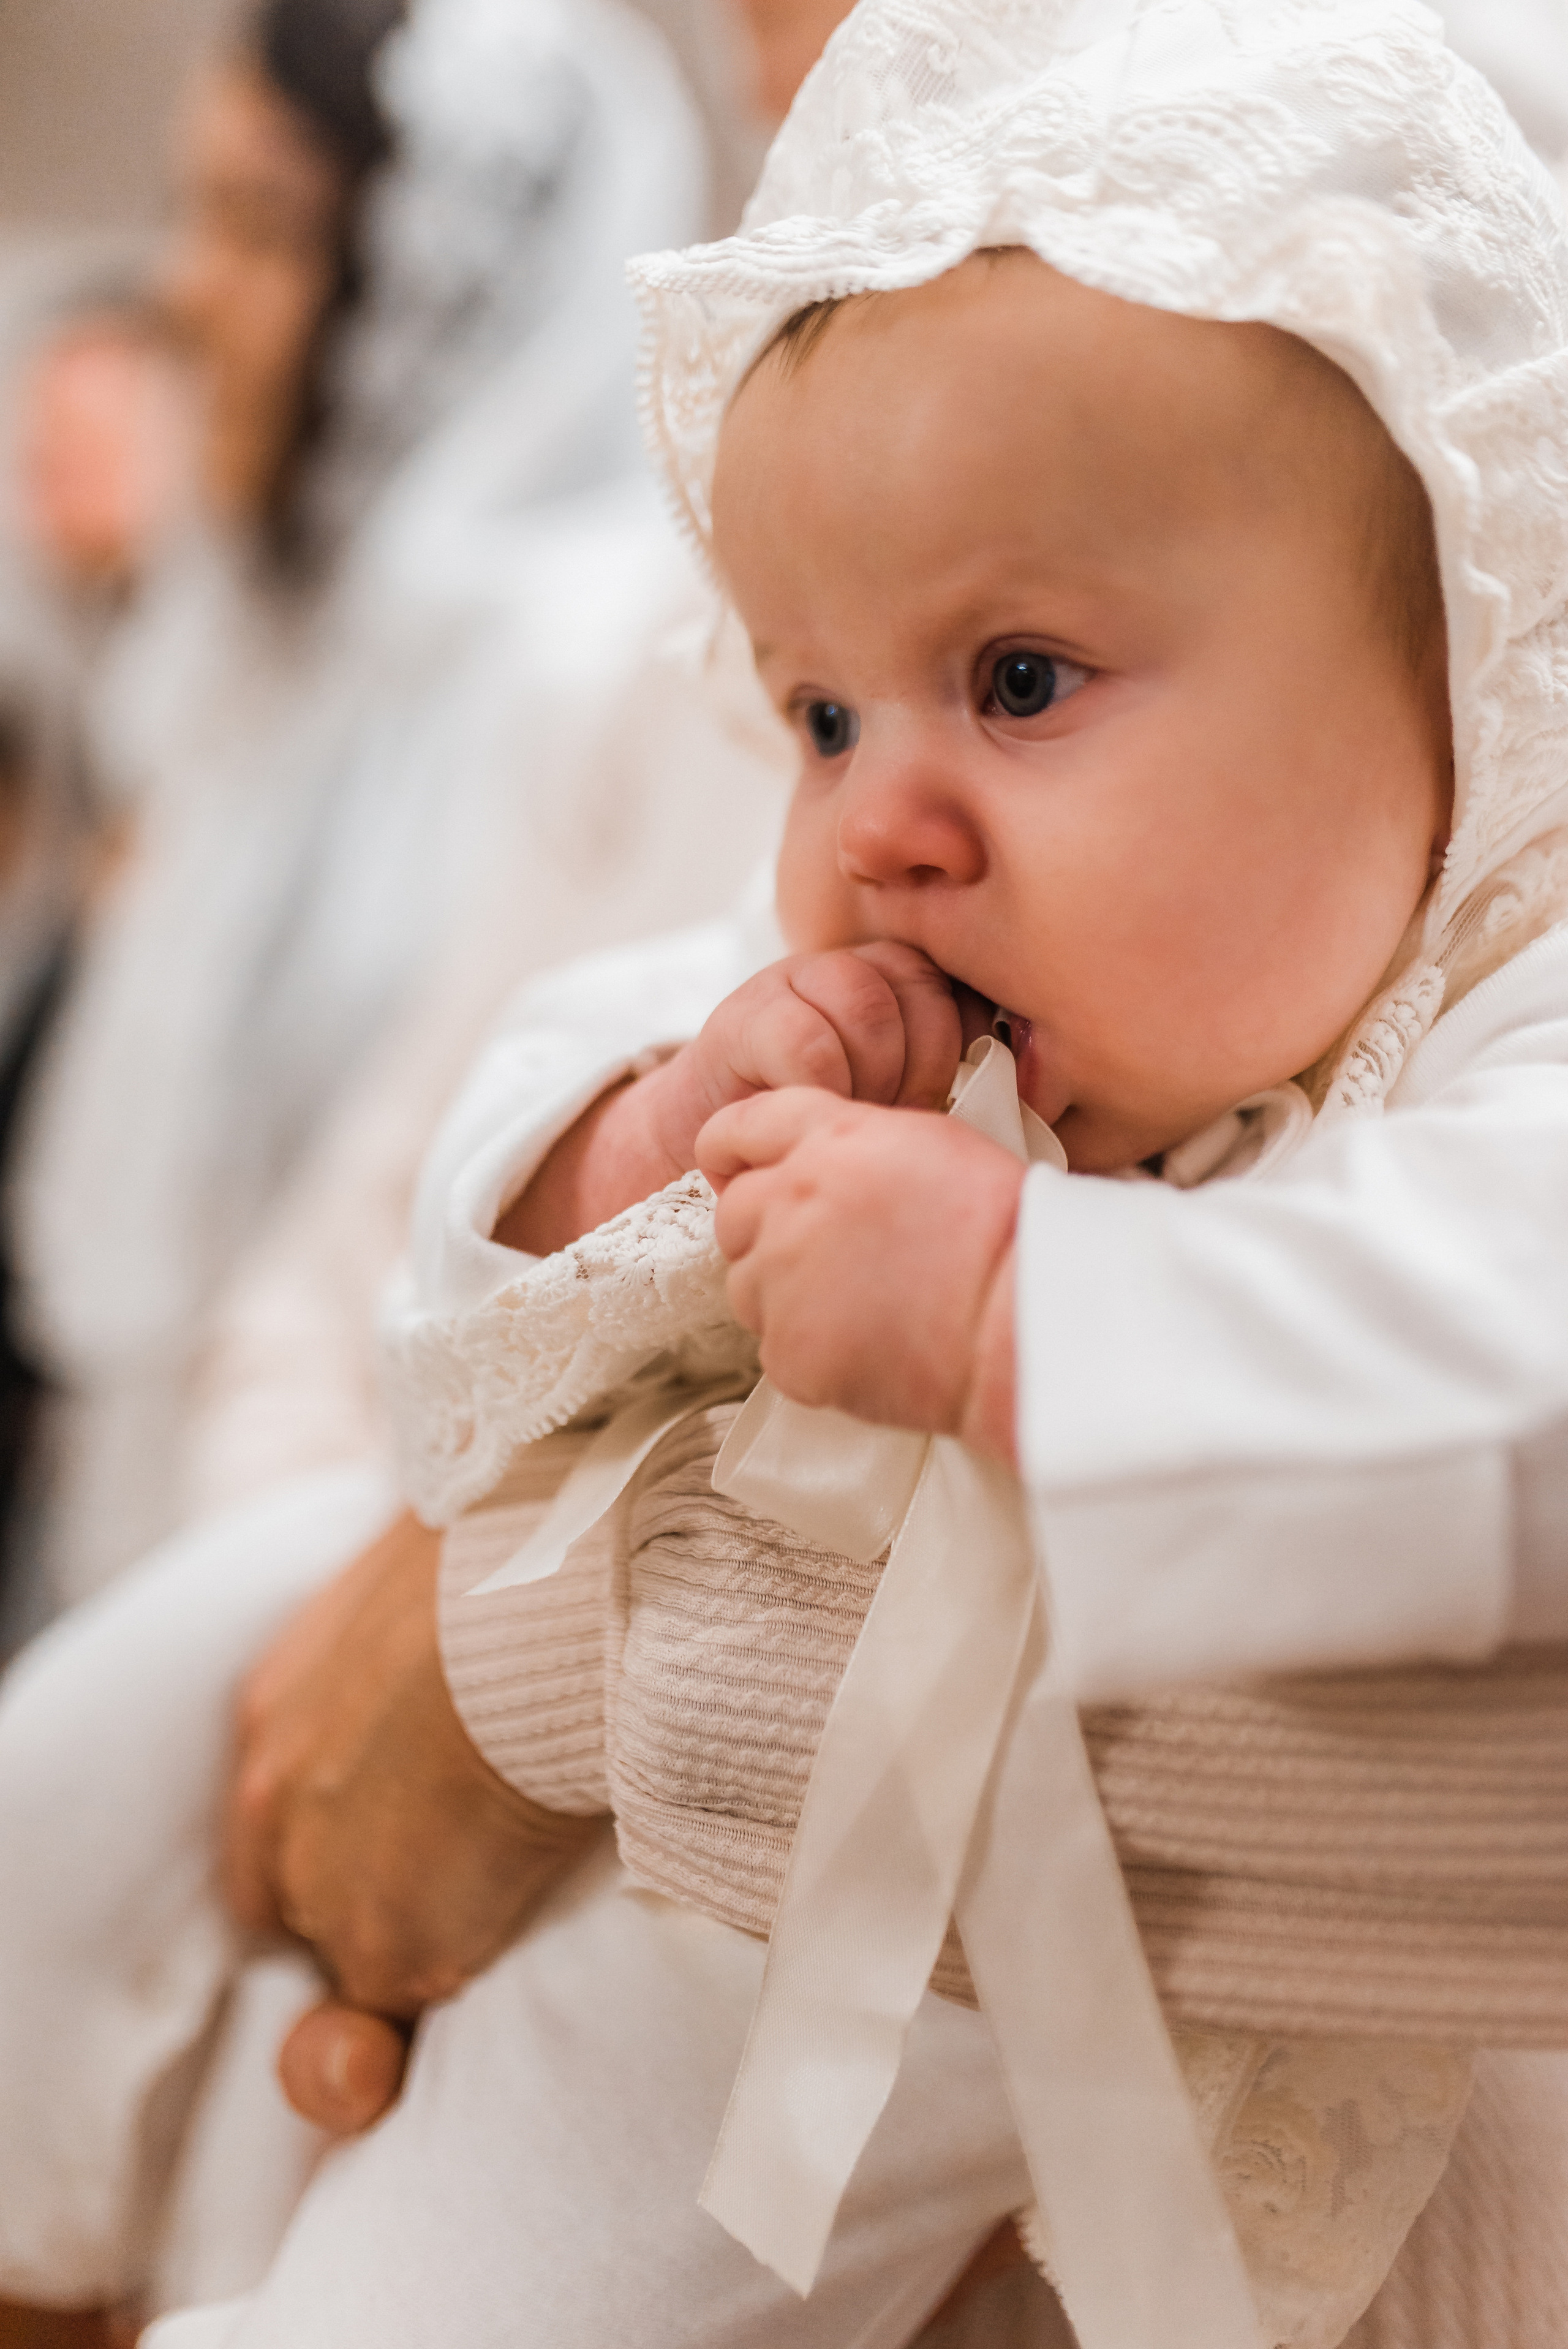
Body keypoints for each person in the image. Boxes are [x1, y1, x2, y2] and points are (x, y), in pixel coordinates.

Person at [8, 1, 1568, 2345]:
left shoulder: (1510, 1020)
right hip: (607, 1690)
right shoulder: (882, 943)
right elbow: (453, 1224)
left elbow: (1503, 1379)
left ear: (1458, 675)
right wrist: (648, 1126)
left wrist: (1014, 1306)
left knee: (525, 2223)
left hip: (906, 1942)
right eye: (820, 706)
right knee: (119, 1715)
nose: (875, 819)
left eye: (1022, 680)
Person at [5, 0, 715, 1611]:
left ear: (447, 278)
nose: (188, 290)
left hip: (368, 1550)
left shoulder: (587, 660)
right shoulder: (279, 656)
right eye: (197, 213)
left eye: (263, 226)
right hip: (168, 1509)